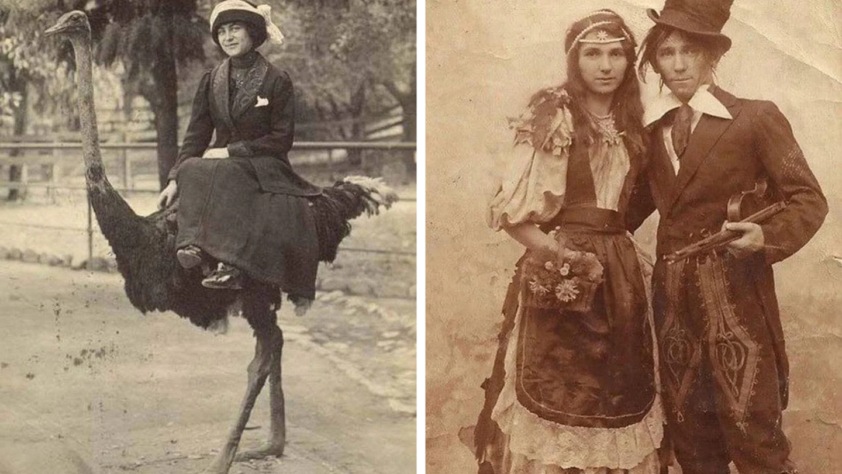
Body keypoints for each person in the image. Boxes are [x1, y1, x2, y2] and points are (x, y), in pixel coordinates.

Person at [627, 1, 828, 473]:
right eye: (667, 52)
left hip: (736, 301)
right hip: (673, 305)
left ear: (712, 57)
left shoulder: (755, 118)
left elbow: (807, 199)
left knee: (754, 436)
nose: (677, 65)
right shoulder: (654, 132)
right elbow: (624, 214)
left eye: (690, 53)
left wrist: (764, 236)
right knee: (691, 439)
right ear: (655, 59)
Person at [475, 10, 665, 474]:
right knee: (558, 388)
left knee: (618, 392)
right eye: (593, 54)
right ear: (574, 60)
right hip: (564, 271)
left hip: (622, 276)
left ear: (628, 60)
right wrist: (562, 259)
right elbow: (513, 217)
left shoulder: (638, 122)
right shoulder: (554, 115)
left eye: (616, 54)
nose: (606, 65)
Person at [157, 0, 320, 312]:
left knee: (225, 170)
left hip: (265, 161)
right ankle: (192, 247)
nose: (228, 37)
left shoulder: (276, 79)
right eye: (222, 32)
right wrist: (174, 178)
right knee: (192, 167)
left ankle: (231, 266)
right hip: (222, 161)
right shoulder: (211, 79)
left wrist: (232, 150)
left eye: (235, 29)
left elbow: (281, 139)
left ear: (253, 33)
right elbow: (196, 136)